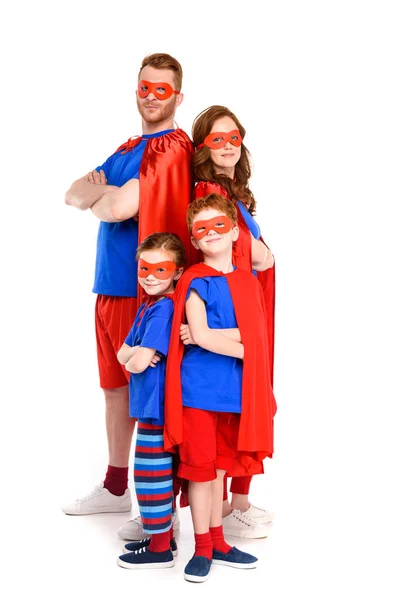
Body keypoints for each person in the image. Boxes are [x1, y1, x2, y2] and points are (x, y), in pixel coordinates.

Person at [63, 53, 195, 535]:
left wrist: (104, 198)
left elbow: (116, 206)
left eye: (163, 89)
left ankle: (159, 512)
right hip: (108, 286)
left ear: (178, 96)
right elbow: (72, 195)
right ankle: (117, 488)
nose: (152, 96)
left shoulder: (171, 148)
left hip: (146, 289)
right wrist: (101, 198)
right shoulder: (127, 148)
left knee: (148, 395)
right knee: (113, 391)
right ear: (135, 89)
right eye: (145, 86)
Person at [164, 193, 276, 582]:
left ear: (233, 233)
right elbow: (203, 336)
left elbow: (247, 335)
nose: (211, 234)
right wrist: (245, 346)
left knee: (218, 473)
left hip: (233, 392)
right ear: (194, 240)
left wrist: (215, 337)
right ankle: (202, 546)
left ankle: (220, 542)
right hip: (197, 392)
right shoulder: (196, 279)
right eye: (202, 229)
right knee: (199, 471)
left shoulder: (247, 281)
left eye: (218, 226)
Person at [189, 105, 276, 539]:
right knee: (239, 394)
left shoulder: (232, 189)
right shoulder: (209, 190)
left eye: (234, 136)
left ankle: (235, 502)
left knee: (249, 396)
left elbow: (257, 250)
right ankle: (226, 507)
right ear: (203, 146)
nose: (227, 145)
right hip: (236, 304)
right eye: (216, 139)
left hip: (251, 300)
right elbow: (246, 252)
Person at [116, 232, 184, 569]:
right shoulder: (148, 306)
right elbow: (122, 354)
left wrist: (136, 357)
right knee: (155, 472)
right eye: (145, 268)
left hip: (158, 406)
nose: (150, 276)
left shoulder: (164, 309)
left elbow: (137, 362)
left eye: (161, 269)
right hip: (147, 403)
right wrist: (135, 356)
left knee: (151, 473)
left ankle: (160, 548)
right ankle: (162, 535)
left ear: (177, 272)